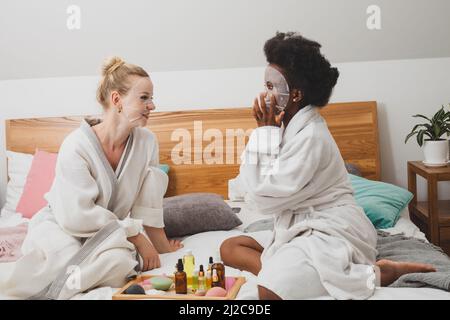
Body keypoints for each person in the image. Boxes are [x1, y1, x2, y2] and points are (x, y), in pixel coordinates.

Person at [220, 32, 435, 300]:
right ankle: (285, 270)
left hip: (332, 229)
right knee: (230, 247)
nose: (266, 94)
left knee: (269, 291)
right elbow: (258, 187)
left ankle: (376, 274)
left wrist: (263, 132)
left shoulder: (311, 136)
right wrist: (268, 133)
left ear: (295, 94)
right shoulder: (285, 127)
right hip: (300, 225)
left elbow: (263, 198)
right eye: (266, 85)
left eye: (272, 86)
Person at [0, 57, 183, 299]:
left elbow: (147, 204)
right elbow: (77, 215)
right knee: (59, 258)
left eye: (151, 98)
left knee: (120, 264)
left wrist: (160, 247)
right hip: (63, 226)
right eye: (144, 98)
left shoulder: (146, 142)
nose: (152, 105)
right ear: (117, 100)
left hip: (108, 232)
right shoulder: (76, 146)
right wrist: (135, 235)